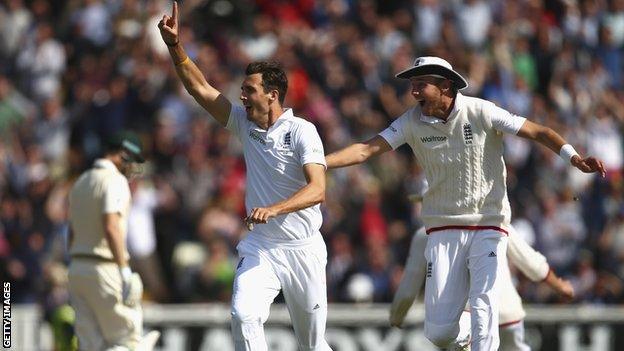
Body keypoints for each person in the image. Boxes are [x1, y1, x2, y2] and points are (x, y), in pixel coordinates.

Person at [325, 56, 605, 350]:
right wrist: (320, 163)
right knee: (439, 333)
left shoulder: (480, 110)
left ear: (446, 86)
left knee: (484, 302)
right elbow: (365, 150)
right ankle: (467, 336)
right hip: (443, 228)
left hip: (488, 222)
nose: (414, 92)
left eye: (421, 85)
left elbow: (539, 132)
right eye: (413, 85)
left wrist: (574, 157)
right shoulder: (411, 121)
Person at [158, 3, 332, 351]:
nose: (242, 96)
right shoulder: (244, 123)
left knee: (312, 345)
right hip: (261, 247)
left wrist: (276, 208)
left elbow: (318, 190)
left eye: (249, 90)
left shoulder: (302, 131)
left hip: (303, 248)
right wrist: (175, 46)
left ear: (272, 95)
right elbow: (201, 90)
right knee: (242, 314)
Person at [390, 226, 575, 350]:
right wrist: (559, 285)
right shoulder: (494, 216)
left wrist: (398, 314)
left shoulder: (426, 234)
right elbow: (530, 261)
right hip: (506, 313)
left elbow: (410, 281)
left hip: (469, 319)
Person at [67, 130, 160, 351]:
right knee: (126, 342)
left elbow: (72, 231)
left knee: (90, 345)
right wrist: (124, 270)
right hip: (104, 269)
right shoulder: (115, 181)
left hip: (77, 269)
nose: (134, 169)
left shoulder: (81, 181)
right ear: (123, 154)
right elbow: (111, 226)